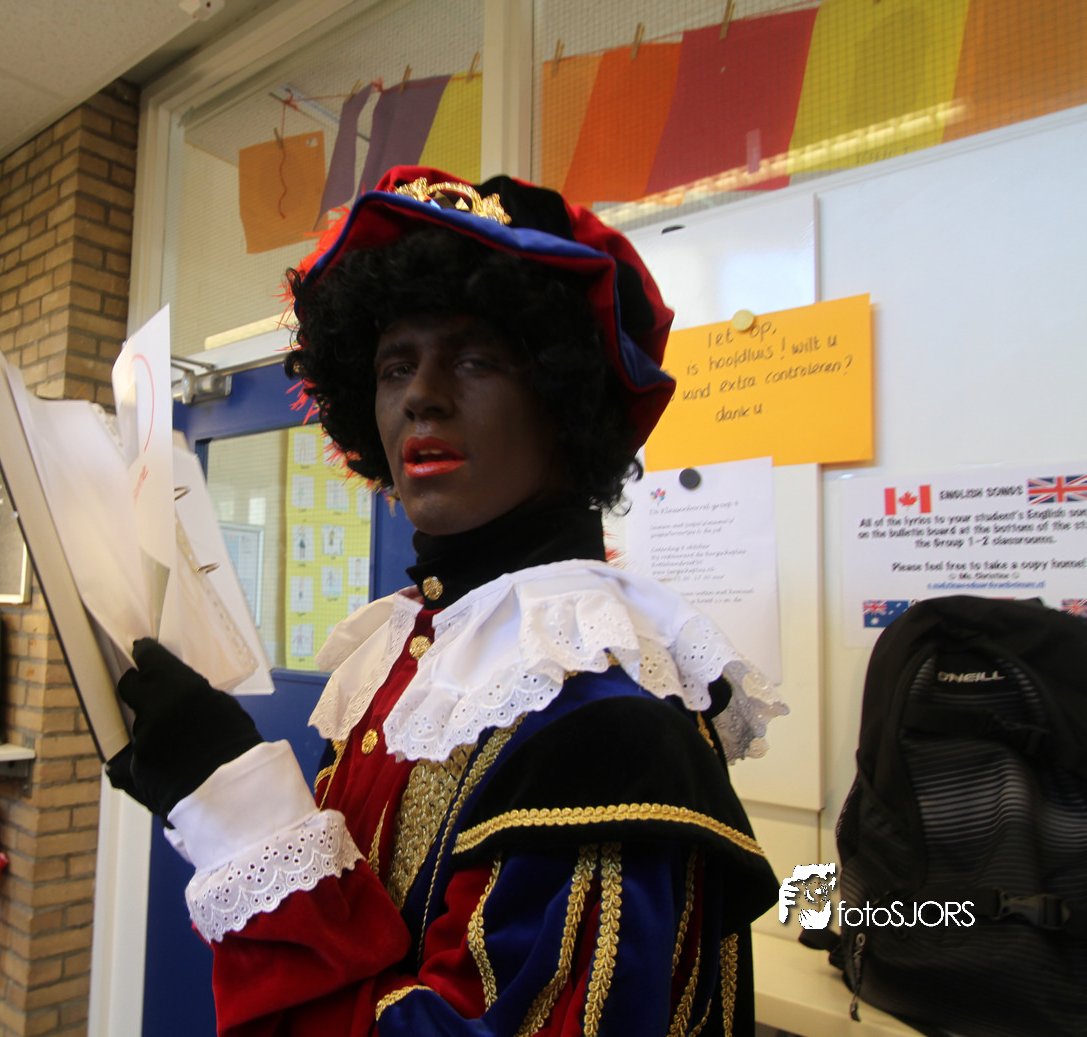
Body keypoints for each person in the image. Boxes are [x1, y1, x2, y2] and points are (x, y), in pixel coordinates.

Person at [108, 167, 786, 1036]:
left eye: (473, 359)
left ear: (562, 401)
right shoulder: (407, 660)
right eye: (395, 366)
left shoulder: (602, 718)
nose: (420, 394)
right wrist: (206, 788)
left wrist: (242, 815)